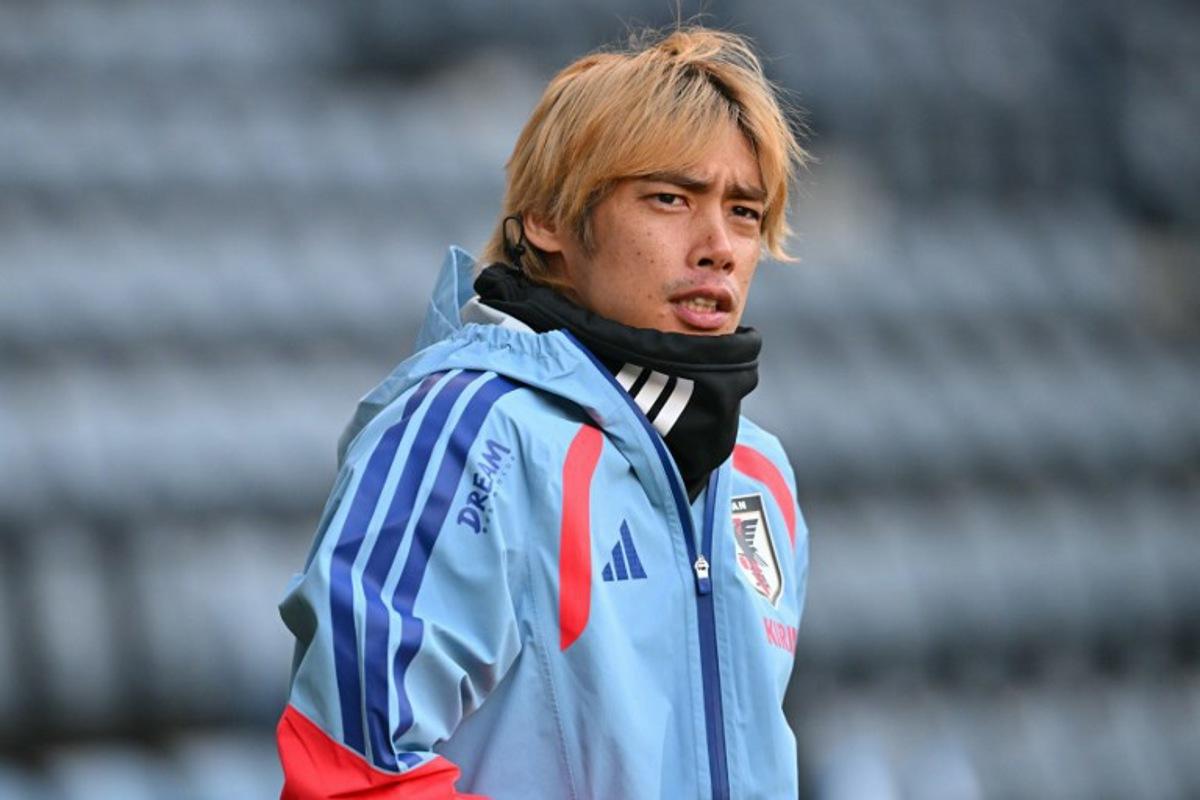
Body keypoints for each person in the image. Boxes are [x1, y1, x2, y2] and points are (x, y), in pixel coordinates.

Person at [276, 25, 811, 800]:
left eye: (745, 212)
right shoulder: (466, 431)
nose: (718, 245)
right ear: (549, 222)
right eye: (670, 198)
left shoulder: (760, 475)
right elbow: (352, 772)